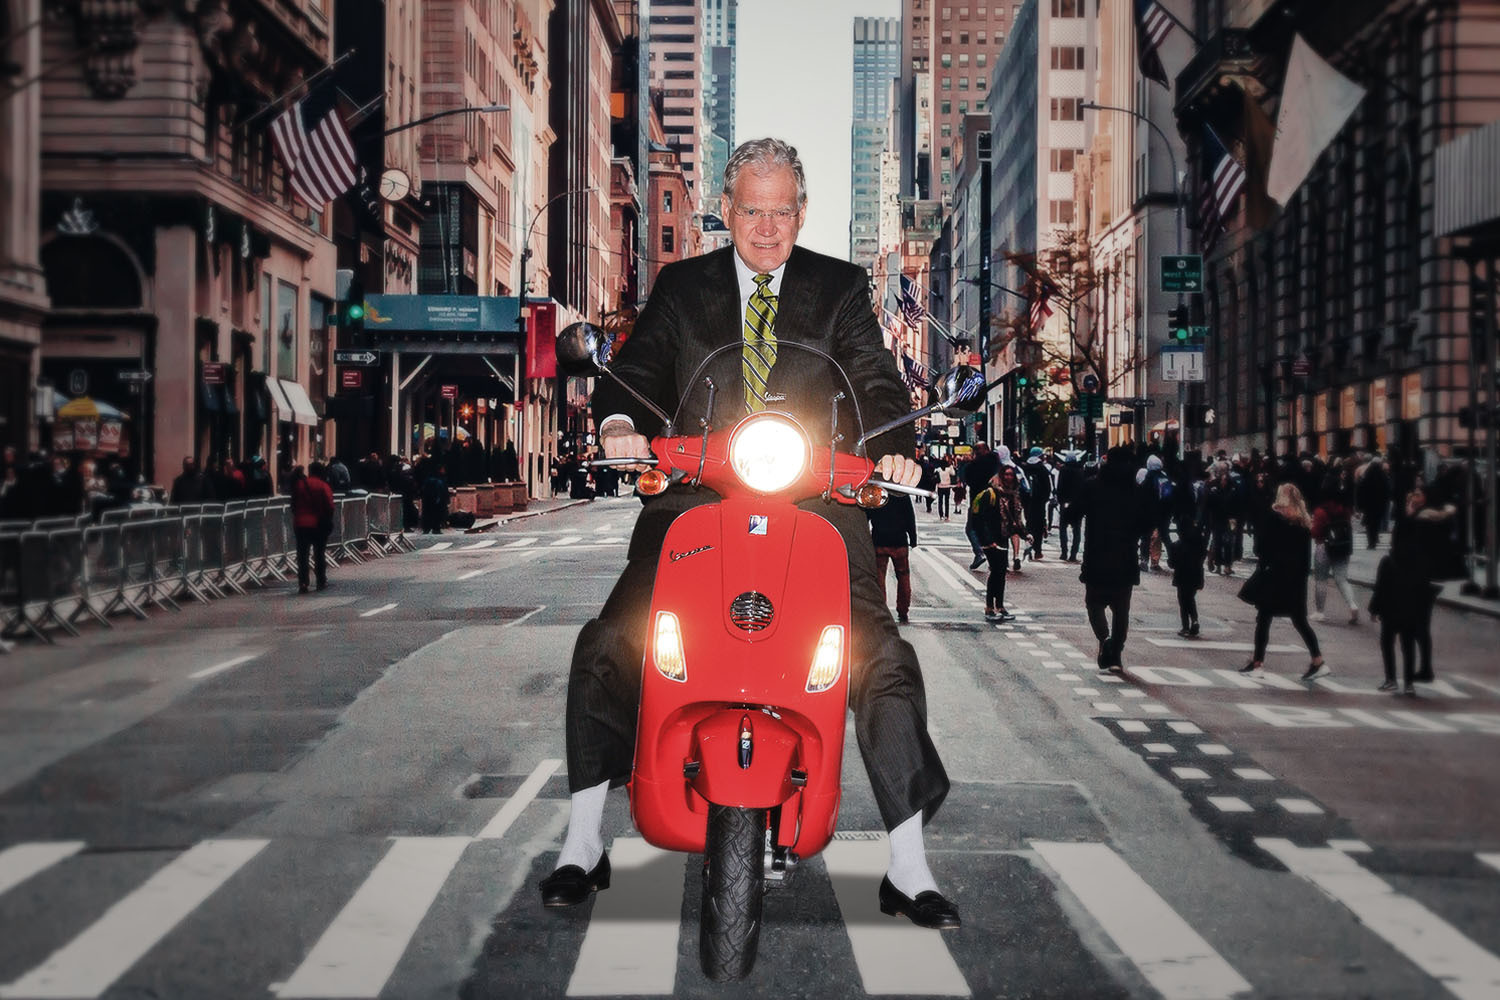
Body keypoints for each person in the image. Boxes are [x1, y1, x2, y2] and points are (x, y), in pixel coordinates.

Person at [541, 138, 958, 930]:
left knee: (880, 653)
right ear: (725, 211)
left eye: (781, 211)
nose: (766, 228)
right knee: (610, 640)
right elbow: (635, 370)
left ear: (802, 213)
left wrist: (892, 444)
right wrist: (623, 423)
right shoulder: (682, 285)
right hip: (694, 503)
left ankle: (907, 863)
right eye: (751, 210)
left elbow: (872, 376)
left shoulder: (837, 287)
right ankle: (583, 837)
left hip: (817, 509)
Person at [1239, 482, 1327, 681]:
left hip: (1274, 577)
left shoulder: (1274, 519)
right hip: (1295, 581)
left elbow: (1261, 548)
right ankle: (1317, 660)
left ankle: (1258, 663)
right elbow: (1305, 560)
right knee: (1300, 621)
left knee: (1263, 619)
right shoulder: (1303, 523)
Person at [1080, 446, 1147, 671]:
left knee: (1094, 603)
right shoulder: (1135, 491)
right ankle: (1116, 652)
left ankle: (1104, 638)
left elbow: (1073, 512)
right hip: (1125, 559)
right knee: (1121, 610)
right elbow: (1146, 521)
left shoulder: (1092, 485)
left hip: (1096, 557)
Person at [972, 468, 1024, 621]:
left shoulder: (1013, 495)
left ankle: (1000, 606)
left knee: (1001, 573)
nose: (1008, 478)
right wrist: (987, 540)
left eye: (1011, 475)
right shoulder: (991, 494)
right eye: (1006, 475)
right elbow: (979, 520)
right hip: (991, 540)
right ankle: (989, 607)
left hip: (1003, 537)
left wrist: (1024, 534)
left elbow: (1015, 519)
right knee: (996, 572)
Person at [1311, 479, 1359, 624]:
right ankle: (1352, 604)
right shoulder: (1345, 509)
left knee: (1321, 580)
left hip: (1323, 547)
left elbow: (1315, 532)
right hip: (1342, 546)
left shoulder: (1320, 511)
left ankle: (1320, 612)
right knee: (1342, 579)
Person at [868, 494, 918, 624]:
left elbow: (867, 516)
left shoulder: (877, 493)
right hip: (899, 541)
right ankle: (903, 609)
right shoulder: (902, 494)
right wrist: (913, 538)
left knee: (879, 578)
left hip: (879, 540)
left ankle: (881, 609)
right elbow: (910, 517)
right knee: (903, 577)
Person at [290, 462, 335, 593]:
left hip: (301, 523)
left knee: (302, 554)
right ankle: (321, 581)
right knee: (319, 553)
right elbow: (330, 506)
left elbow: (293, 504)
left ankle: (303, 582)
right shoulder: (323, 486)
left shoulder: (300, 485)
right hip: (318, 524)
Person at [1168, 519, 1206, 637]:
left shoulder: (1176, 546)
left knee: (1183, 601)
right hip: (1196, 575)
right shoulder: (1199, 544)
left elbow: (1172, 564)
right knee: (1190, 598)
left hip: (1182, 576)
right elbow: (1203, 556)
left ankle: (1186, 626)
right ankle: (1194, 620)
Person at [1054, 450, 1086, 562]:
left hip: (1065, 504)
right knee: (1076, 529)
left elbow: (1060, 486)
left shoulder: (1063, 470)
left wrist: (1060, 500)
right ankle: (1073, 554)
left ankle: (1064, 552)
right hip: (1078, 504)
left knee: (1063, 528)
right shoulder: (1081, 470)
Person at [1022, 447, 1052, 561]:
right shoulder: (1042, 469)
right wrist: (1044, 500)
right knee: (1039, 526)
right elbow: (1047, 488)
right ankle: (1038, 551)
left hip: (1027, 502)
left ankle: (1028, 546)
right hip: (1039, 503)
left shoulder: (1025, 467)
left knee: (1029, 524)